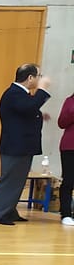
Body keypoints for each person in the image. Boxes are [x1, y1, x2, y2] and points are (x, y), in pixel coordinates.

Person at [0, 64, 52, 225]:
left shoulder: (21, 94)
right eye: (38, 76)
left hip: (22, 146)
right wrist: (42, 89)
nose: (40, 79)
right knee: (9, 181)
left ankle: (9, 211)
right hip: (14, 147)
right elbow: (29, 106)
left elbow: (26, 111)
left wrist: (39, 116)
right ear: (30, 78)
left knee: (17, 182)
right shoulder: (14, 93)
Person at [58, 90, 74, 226]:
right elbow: (61, 123)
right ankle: (66, 213)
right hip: (70, 146)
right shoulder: (70, 101)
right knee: (68, 181)